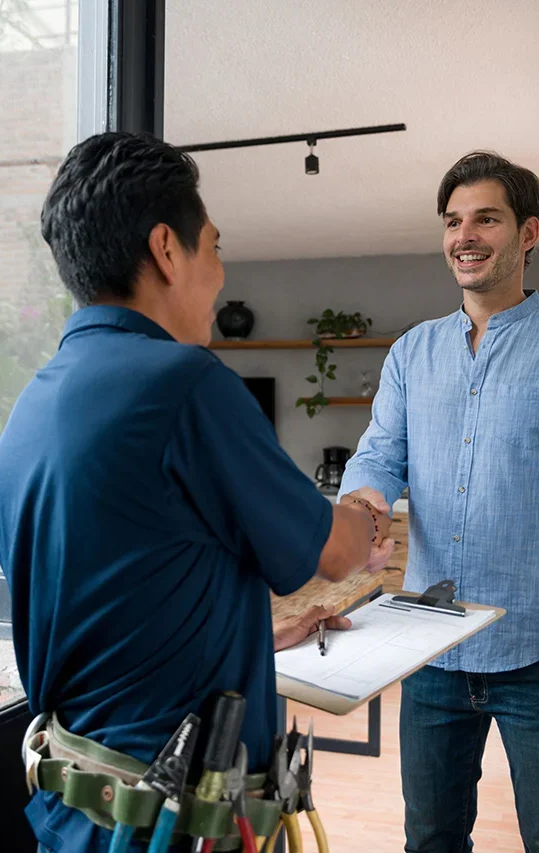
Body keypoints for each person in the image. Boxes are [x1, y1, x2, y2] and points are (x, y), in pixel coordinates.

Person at [0, 132, 393, 853]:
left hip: (73, 817)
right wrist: (363, 510)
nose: (220, 273)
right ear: (167, 250)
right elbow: (330, 553)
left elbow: (115, 604)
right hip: (172, 827)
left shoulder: (28, 414)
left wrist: (244, 636)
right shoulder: (185, 384)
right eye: (214, 247)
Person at [339, 150, 539, 852]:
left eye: (486, 217)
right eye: (453, 220)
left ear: (528, 234)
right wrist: (362, 507)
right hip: (431, 649)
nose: (465, 234)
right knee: (428, 837)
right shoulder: (410, 353)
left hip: (531, 650)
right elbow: (377, 454)